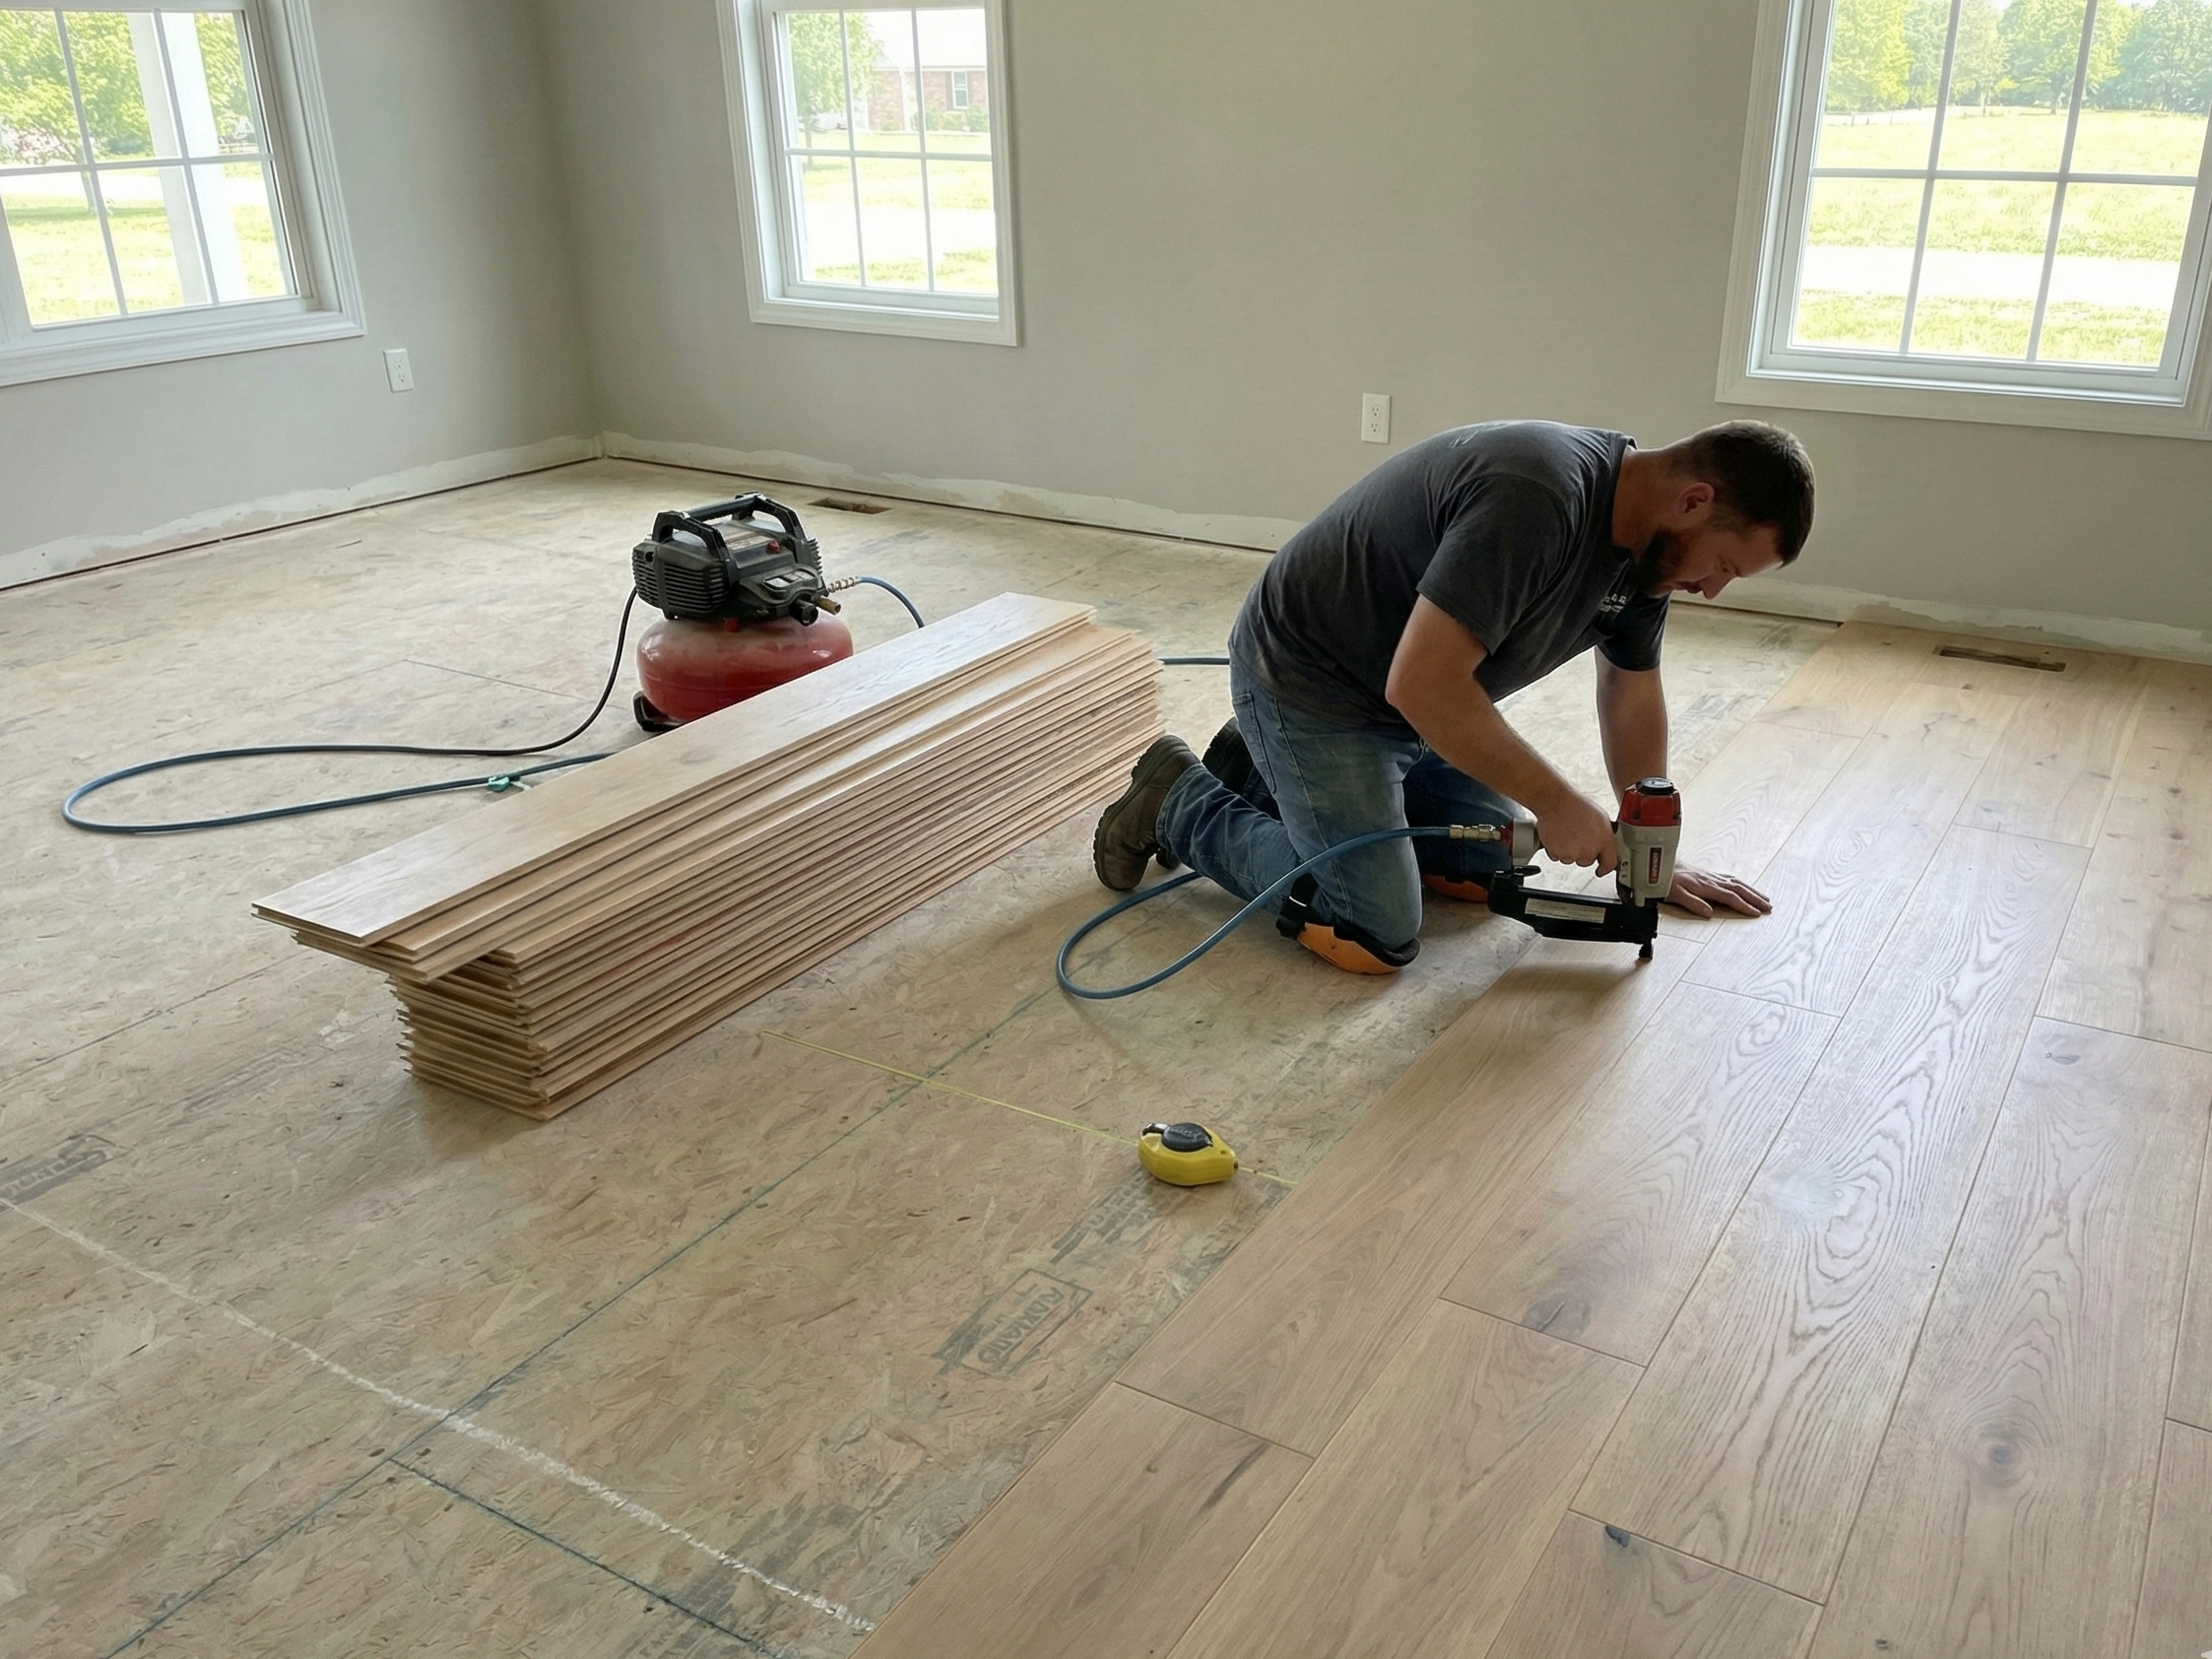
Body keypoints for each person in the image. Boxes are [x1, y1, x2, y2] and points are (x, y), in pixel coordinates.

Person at [1091, 418, 1814, 974]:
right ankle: (1178, 800)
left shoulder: (1650, 553)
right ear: (1694, 500)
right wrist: (1557, 803)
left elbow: (1630, 691)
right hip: (1315, 685)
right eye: (1721, 565)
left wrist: (1643, 843)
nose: (1713, 589)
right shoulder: (1537, 499)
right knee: (1369, 930)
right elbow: (1423, 682)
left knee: (1481, 873)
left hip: (1413, 708)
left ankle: (1256, 764)